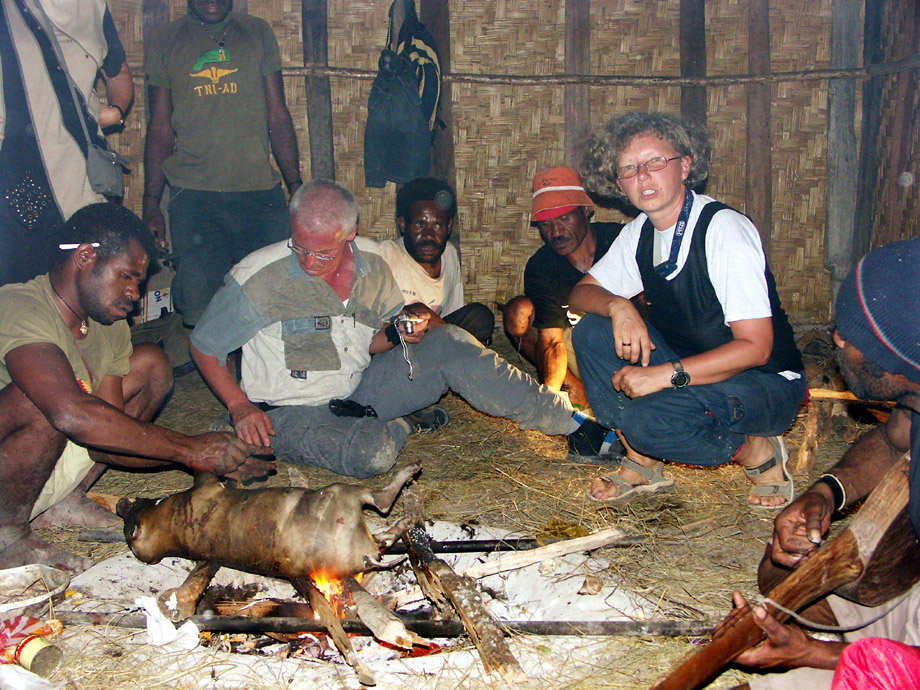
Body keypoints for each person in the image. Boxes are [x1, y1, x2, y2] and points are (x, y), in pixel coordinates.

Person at [190, 179, 619, 478]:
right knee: (372, 454)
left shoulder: (373, 268)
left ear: (350, 234)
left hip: (356, 389)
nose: (306, 261)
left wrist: (399, 333)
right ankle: (405, 425)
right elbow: (204, 345)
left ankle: (572, 424)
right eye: (299, 246)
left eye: (321, 252)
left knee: (450, 340)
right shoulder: (259, 276)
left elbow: (370, 342)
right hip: (286, 412)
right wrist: (238, 406)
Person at [0, 203, 274, 575]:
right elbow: (69, 414)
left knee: (150, 365)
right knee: (47, 404)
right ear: (84, 256)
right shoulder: (20, 305)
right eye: (126, 277)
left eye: (139, 283)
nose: (134, 293)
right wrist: (191, 449)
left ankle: (63, 499)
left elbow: (109, 438)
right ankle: (8, 537)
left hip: (37, 469)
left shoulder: (108, 328)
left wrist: (205, 457)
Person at [570, 112, 806, 507]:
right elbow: (581, 294)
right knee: (590, 331)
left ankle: (758, 452)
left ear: (686, 164)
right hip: (695, 370)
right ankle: (641, 458)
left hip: (763, 383)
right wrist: (618, 305)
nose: (643, 177)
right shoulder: (640, 232)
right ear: (618, 182)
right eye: (629, 168)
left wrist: (665, 376)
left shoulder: (722, 230)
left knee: (648, 422)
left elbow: (756, 348)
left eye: (656, 162)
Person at [718, 238, 920, 690]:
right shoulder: (914, 401)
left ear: (899, 353)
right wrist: (824, 493)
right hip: (904, 610)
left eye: (854, 334)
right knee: (780, 576)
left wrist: (812, 652)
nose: (837, 340)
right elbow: (893, 440)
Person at [142, 0, 302, 328]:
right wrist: (150, 201)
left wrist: (296, 186)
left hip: (259, 194)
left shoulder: (257, 32)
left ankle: (255, 378)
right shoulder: (166, 39)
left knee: (270, 303)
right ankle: (219, 377)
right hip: (194, 199)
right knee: (201, 307)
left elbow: (278, 114)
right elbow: (160, 126)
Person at [0, 0, 134, 286]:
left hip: (80, 173)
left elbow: (118, 70)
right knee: (16, 290)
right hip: (16, 173)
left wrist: (117, 111)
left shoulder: (93, 6)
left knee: (81, 286)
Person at [502, 166, 623, 407]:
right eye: (545, 224)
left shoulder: (621, 242)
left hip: (631, 348)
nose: (555, 232)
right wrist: (548, 399)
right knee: (521, 313)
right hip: (581, 353)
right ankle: (577, 389)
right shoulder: (542, 266)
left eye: (564, 218)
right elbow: (552, 342)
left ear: (586, 209)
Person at [363, 177, 494, 345]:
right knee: (416, 312)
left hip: (435, 343)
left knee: (479, 316)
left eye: (437, 225)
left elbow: (449, 319)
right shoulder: (383, 256)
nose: (428, 236)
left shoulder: (450, 254)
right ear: (403, 224)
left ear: (449, 226)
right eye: (419, 225)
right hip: (396, 348)